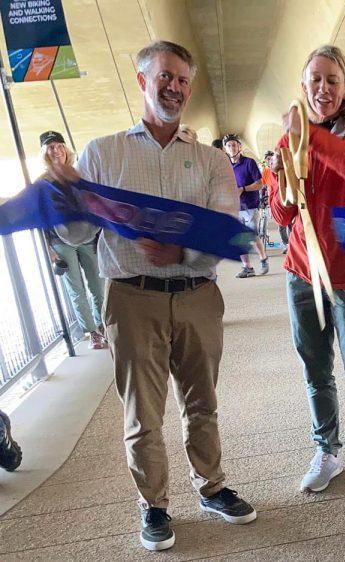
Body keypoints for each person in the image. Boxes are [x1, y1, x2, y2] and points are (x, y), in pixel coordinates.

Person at [46, 40, 256, 551]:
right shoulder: (102, 153)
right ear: (142, 81)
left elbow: (226, 233)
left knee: (202, 402)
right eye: (166, 76)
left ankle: (211, 486)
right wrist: (66, 195)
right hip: (131, 297)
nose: (176, 87)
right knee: (143, 410)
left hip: (198, 294)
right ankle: (155, 505)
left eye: (184, 79)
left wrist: (180, 252)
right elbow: (77, 236)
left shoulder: (210, 161)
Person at [270, 45, 345, 502]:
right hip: (301, 271)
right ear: (304, 86)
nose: (322, 88)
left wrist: (311, 138)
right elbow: (284, 215)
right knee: (315, 367)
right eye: (314, 79)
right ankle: (327, 450)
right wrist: (281, 176)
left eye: (331, 81)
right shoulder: (288, 141)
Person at [39, 130, 107, 350]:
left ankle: (104, 325)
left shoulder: (80, 175)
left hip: (88, 236)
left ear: (66, 149)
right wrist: (50, 250)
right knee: (75, 289)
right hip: (61, 240)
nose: (56, 150)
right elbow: (39, 217)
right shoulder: (42, 183)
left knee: (98, 284)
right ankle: (92, 332)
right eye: (51, 147)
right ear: (45, 153)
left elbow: (96, 204)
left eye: (59, 145)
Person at [223, 134, 269, 277]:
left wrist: (243, 189)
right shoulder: (225, 165)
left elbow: (260, 184)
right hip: (234, 207)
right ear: (225, 148)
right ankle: (247, 267)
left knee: (251, 236)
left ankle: (263, 258)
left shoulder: (249, 163)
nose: (232, 148)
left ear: (239, 147)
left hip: (250, 206)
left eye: (234, 145)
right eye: (229, 145)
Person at [262, 150, 290, 252]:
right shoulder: (266, 172)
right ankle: (286, 243)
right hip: (274, 201)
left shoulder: (282, 170)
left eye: (271, 159)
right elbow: (264, 186)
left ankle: (291, 244)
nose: (269, 161)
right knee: (281, 225)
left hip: (285, 198)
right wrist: (263, 198)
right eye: (267, 159)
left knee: (290, 224)